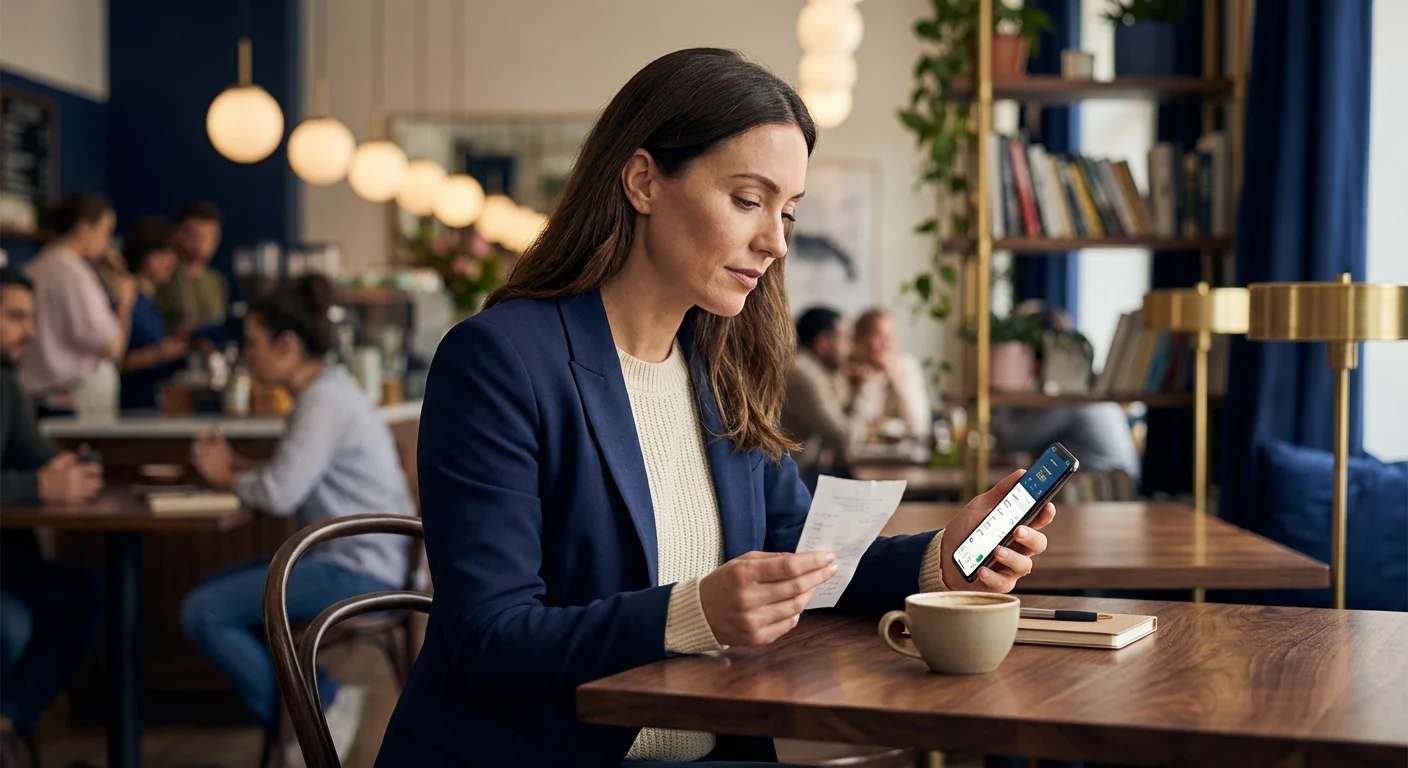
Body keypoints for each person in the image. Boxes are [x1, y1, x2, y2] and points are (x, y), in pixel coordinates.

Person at [377, 48, 1056, 767]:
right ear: (642, 181)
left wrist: (943, 557)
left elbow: (798, 557)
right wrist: (692, 612)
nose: (774, 242)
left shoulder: (720, 370)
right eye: (746, 199)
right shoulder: (500, 361)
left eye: (788, 213)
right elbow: (488, 640)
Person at [181, 275, 415, 764]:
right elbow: (294, 475)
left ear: (287, 343)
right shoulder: (328, 391)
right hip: (367, 559)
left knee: (203, 610)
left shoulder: (322, 400)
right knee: (211, 591)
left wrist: (227, 477)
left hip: (361, 569)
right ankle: (313, 711)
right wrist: (238, 470)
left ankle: (322, 703)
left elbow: (281, 490)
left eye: (253, 343)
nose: (247, 355)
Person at [0, 267, 106, 766]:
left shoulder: (5, 382)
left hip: (10, 560)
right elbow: (32, 478)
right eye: (16, 317)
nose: (32, 331)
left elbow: (33, 452)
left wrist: (67, 468)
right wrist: (36, 486)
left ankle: (8, 721)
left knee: (92, 594)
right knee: (11, 625)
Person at [18, 191, 136, 418]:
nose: (108, 242)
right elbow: (111, 346)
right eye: (105, 231)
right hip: (75, 399)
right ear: (83, 228)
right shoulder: (74, 273)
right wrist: (125, 302)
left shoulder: (36, 266)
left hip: (39, 396)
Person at [781, 306, 866, 481]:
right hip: (796, 478)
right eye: (845, 338)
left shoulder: (815, 370)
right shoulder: (803, 374)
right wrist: (863, 392)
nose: (850, 347)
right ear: (824, 343)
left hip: (802, 473)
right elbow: (845, 441)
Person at [118, 217, 190, 411]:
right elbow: (115, 361)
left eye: (173, 253)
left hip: (153, 404)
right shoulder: (125, 298)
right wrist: (160, 352)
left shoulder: (152, 301)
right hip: (130, 408)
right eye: (163, 252)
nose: (172, 260)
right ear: (144, 253)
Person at [849, 308, 933, 443]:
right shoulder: (847, 369)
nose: (888, 343)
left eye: (891, 336)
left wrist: (898, 380)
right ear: (861, 339)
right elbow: (851, 435)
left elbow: (920, 427)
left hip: (902, 456)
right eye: (879, 335)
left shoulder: (907, 367)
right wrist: (868, 386)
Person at [157, 201, 228, 335]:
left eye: (210, 237)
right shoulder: (163, 277)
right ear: (179, 234)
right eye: (195, 236)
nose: (203, 243)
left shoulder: (217, 281)